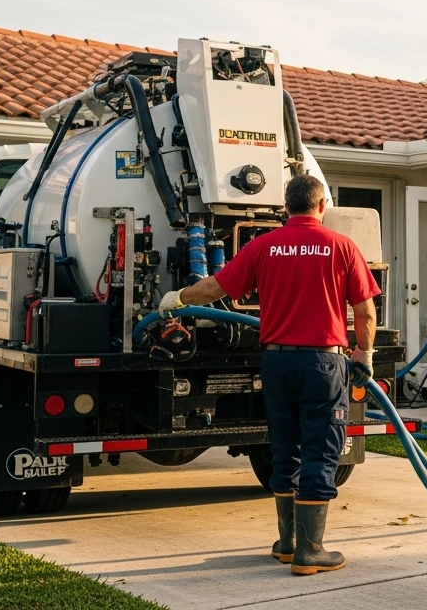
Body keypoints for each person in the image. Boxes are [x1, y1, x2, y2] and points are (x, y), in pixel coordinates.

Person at [158, 174, 377, 576]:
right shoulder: (342, 246)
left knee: (285, 447)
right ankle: (311, 551)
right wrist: (363, 354)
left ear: (285, 208)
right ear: (322, 205)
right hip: (322, 363)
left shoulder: (264, 246)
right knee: (321, 450)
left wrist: (177, 299)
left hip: (276, 363)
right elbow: (364, 311)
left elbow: (215, 288)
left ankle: (287, 543)